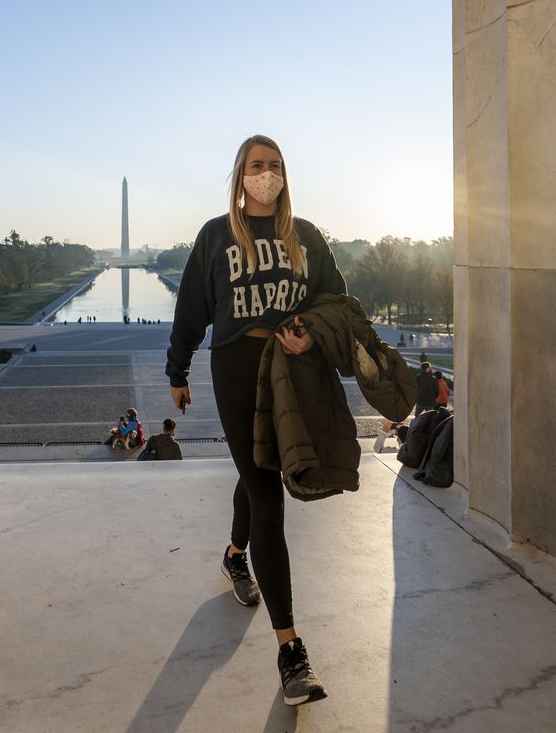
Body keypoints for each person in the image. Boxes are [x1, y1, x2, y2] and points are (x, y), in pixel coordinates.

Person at [166, 134, 345, 706]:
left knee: (259, 470)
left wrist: (309, 333)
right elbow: (192, 307)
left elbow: (334, 300)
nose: (266, 175)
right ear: (239, 176)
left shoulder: (306, 237)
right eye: (256, 166)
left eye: (275, 166)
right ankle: (291, 653)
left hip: (287, 370)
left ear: (286, 175)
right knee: (270, 493)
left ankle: (235, 556)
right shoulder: (217, 236)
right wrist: (178, 370)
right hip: (237, 368)